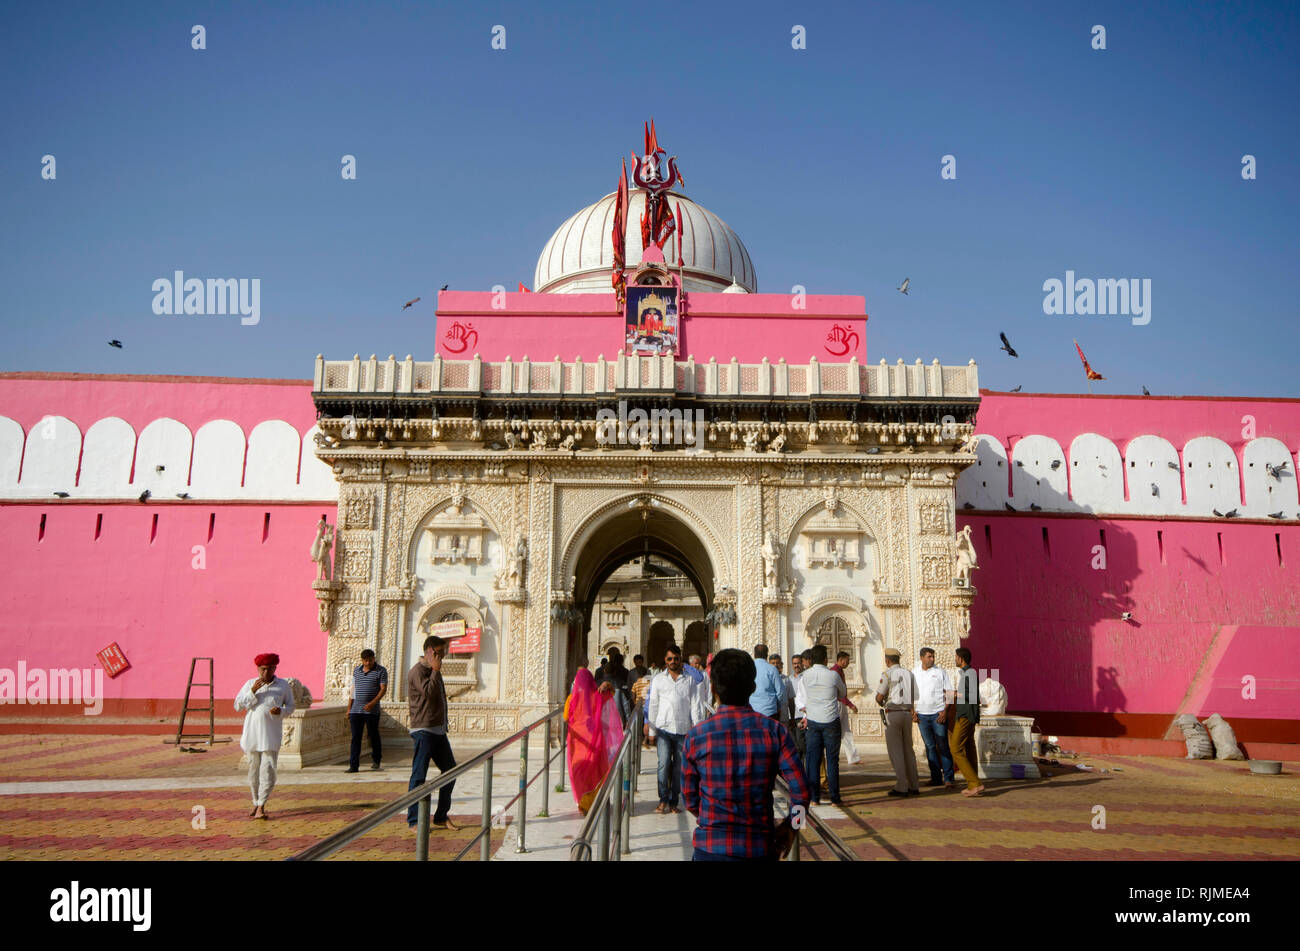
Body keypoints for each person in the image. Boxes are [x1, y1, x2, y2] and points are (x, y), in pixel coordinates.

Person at [682, 649, 810, 861]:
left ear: (713, 688)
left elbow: (690, 799)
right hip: (758, 847)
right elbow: (803, 792)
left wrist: (712, 819)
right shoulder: (774, 732)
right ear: (752, 687)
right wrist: (792, 827)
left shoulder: (696, 737)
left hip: (711, 847)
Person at [234, 652, 295, 820]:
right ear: (258, 669)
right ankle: (255, 801)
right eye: (262, 669)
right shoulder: (249, 684)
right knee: (253, 769)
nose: (265, 673)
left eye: (269, 669)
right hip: (252, 734)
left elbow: (290, 706)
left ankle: (262, 804)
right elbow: (238, 706)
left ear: (275, 668)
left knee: (268, 769)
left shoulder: (282, 685)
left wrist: (280, 711)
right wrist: (252, 691)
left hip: (270, 735)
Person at [646, 644, 705, 813]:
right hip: (664, 728)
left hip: (683, 729)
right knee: (663, 764)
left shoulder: (689, 680)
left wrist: (698, 729)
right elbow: (653, 705)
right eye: (670, 659)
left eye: (676, 659)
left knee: (679, 768)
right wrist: (651, 730)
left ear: (681, 660)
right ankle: (662, 799)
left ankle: (674, 801)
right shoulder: (658, 679)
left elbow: (695, 705)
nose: (673, 662)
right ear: (665, 660)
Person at [407, 635, 457, 830]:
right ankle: (414, 820)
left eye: (443, 653)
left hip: (438, 730)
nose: (441, 657)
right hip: (423, 730)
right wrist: (435, 671)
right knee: (419, 774)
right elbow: (428, 693)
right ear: (429, 652)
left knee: (450, 770)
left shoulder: (434, 671)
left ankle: (441, 815)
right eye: (438, 653)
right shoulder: (417, 672)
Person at [565, 666, 623, 814]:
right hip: (596, 742)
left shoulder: (571, 699)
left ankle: (583, 804)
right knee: (595, 770)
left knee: (580, 772)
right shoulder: (596, 695)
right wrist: (606, 685)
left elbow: (566, 718)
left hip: (577, 743)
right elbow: (611, 693)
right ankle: (595, 802)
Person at [799, 644, 845, 805]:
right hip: (830, 720)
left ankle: (814, 798)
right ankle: (835, 797)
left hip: (813, 721)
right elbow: (842, 693)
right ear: (825, 659)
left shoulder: (806, 675)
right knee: (832, 760)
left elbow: (804, 693)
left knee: (813, 760)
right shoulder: (833, 675)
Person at [875, 647, 920, 797]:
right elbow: (914, 695)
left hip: (893, 713)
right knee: (908, 749)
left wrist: (881, 701)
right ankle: (914, 784)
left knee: (896, 751)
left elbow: (880, 697)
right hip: (907, 713)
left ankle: (902, 785)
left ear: (887, 660)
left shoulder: (887, 674)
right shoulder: (909, 674)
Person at [913, 647, 957, 788]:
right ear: (922, 658)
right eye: (929, 656)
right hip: (922, 716)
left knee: (943, 746)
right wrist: (912, 711)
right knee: (930, 747)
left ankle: (949, 778)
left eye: (933, 656)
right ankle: (936, 777)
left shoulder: (940, 672)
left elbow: (950, 692)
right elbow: (909, 693)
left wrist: (945, 711)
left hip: (938, 715)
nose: (932, 659)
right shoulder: (914, 672)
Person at [345, 648, 387, 773]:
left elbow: (383, 689)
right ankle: (354, 765)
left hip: (371, 711)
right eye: (365, 661)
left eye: (370, 660)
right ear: (362, 660)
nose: (368, 663)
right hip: (356, 710)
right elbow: (353, 690)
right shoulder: (357, 671)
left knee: (373, 734)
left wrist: (372, 703)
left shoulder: (381, 671)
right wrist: (349, 708)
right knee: (355, 737)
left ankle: (376, 759)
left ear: (374, 659)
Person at [951, 647, 985, 796]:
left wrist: (954, 694)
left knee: (956, 748)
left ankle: (974, 783)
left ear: (961, 658)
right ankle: (973, 783)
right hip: (967, 714)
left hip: (965, 715)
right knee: (969, 747)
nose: (955, 659)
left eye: (956, 657)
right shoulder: (966, 673)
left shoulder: (970, 673)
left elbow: (971, 696)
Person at [830, 650, 862, 765]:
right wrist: (850, 704)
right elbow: (839, 693)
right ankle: (834, 756)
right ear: (841, 660)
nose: (848, 663)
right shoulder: (834, 672)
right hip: (837, 704)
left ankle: (853, 757)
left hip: (841, 704)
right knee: (837, 731)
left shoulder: (839, 671)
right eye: (847, 661)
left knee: (846, 731)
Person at [747, 643, 787, 720]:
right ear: (766, 655)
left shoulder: (748, 669)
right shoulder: (772, 669)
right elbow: (780, 692)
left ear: (755, 654)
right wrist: (778, 707)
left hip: (752, 712)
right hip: (770, 712)